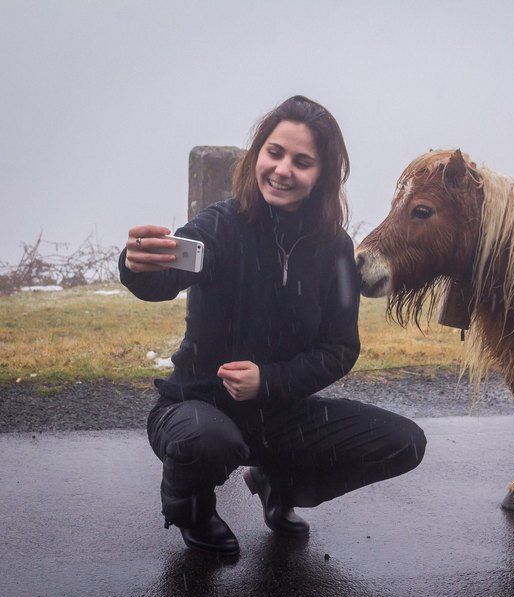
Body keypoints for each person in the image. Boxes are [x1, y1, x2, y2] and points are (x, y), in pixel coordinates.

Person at [119, 95, 426, 556]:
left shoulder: (335, 250)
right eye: (275, 153)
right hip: (194, 407)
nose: (283, 170)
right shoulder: (220, 226)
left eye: (302, 162)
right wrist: (135, 265)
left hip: (281, 414)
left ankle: (277, 484)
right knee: (210, 440)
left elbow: (340, 348)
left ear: (323, 175)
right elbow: (162, 280)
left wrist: (270, 380)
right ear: (258, 154)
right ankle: (192, 508)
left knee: (403, 443)